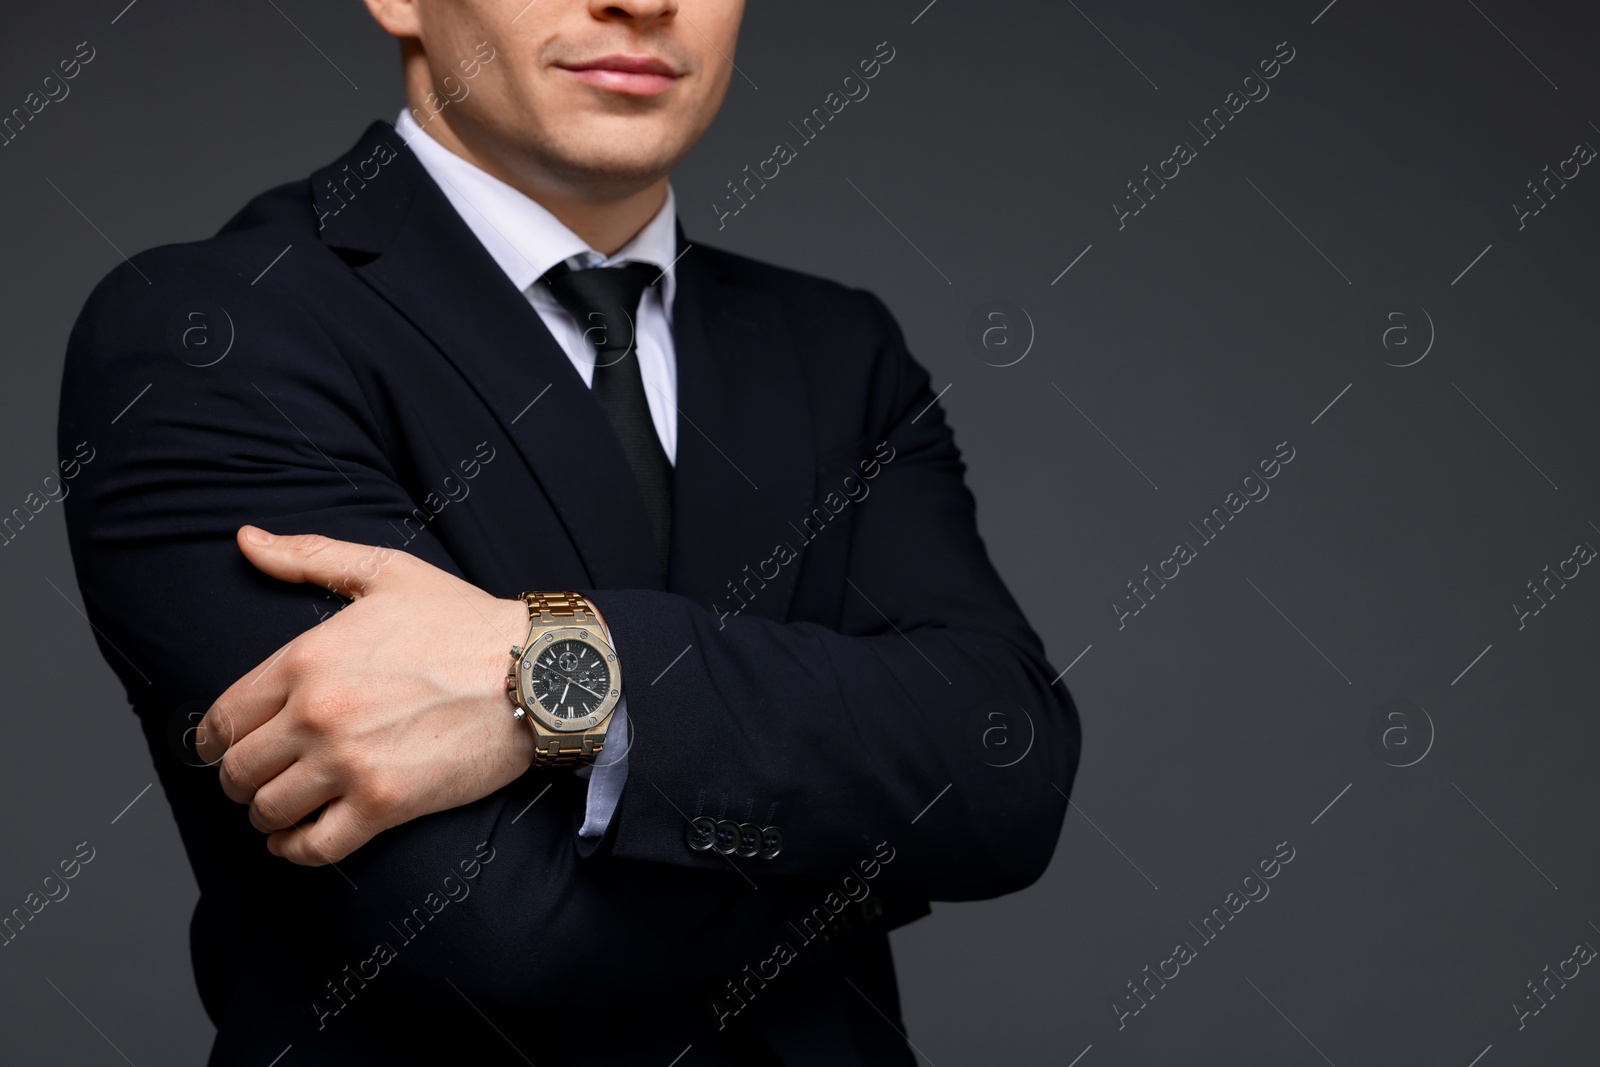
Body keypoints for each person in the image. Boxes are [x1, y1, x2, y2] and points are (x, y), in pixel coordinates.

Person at [58, 0, 1081, 1062]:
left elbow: (1009, 769)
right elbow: (483, 920)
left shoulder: (837, 348)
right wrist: (871, 847)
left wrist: (564, 663)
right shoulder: (208, 331)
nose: (641, 3)